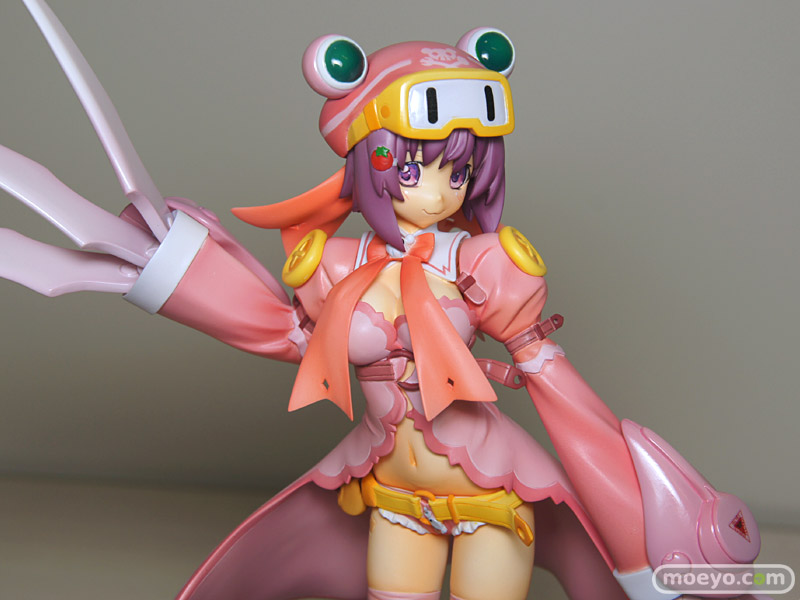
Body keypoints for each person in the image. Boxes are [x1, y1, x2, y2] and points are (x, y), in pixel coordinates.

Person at [1, 7, 764, 599]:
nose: (439, 191)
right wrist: (174, 273)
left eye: (458, 171)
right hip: (393, 491)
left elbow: (550, 377)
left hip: (493, 493)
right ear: (369, 165)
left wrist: (643, 519)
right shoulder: (333, 266)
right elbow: (287, 336)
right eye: (413, 168)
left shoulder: (488, 262)